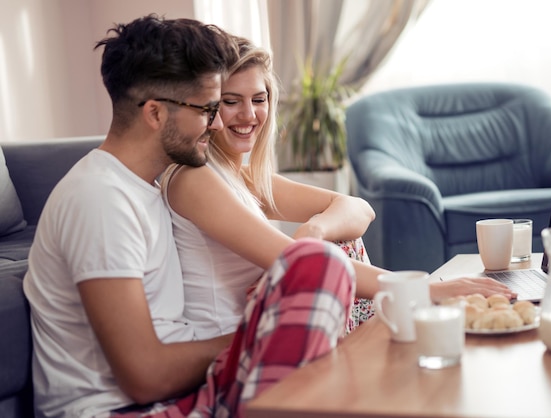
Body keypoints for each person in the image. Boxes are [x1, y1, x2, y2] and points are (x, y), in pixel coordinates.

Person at [23, 15, 356, 418]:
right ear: (155, 114)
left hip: (183, 393)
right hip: (126, 410)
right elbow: (144, 376)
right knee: (316, 267)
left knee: (317, 267)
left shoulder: (143, 186)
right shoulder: (99, 201)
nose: (217, 123)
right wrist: (260, 331)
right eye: (208, 109)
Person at [161, 36, 517, 341]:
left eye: (258, 99)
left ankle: (376, 345)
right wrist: (428, 289)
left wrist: (313, 230)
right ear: (208, 106)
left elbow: (358, 209)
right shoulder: (197, 177)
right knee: (329, 254)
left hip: (266, 324)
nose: (249, 115)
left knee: (332, 235)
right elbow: (300, 264)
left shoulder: (238, 174)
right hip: (238, 344)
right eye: (230, 101)